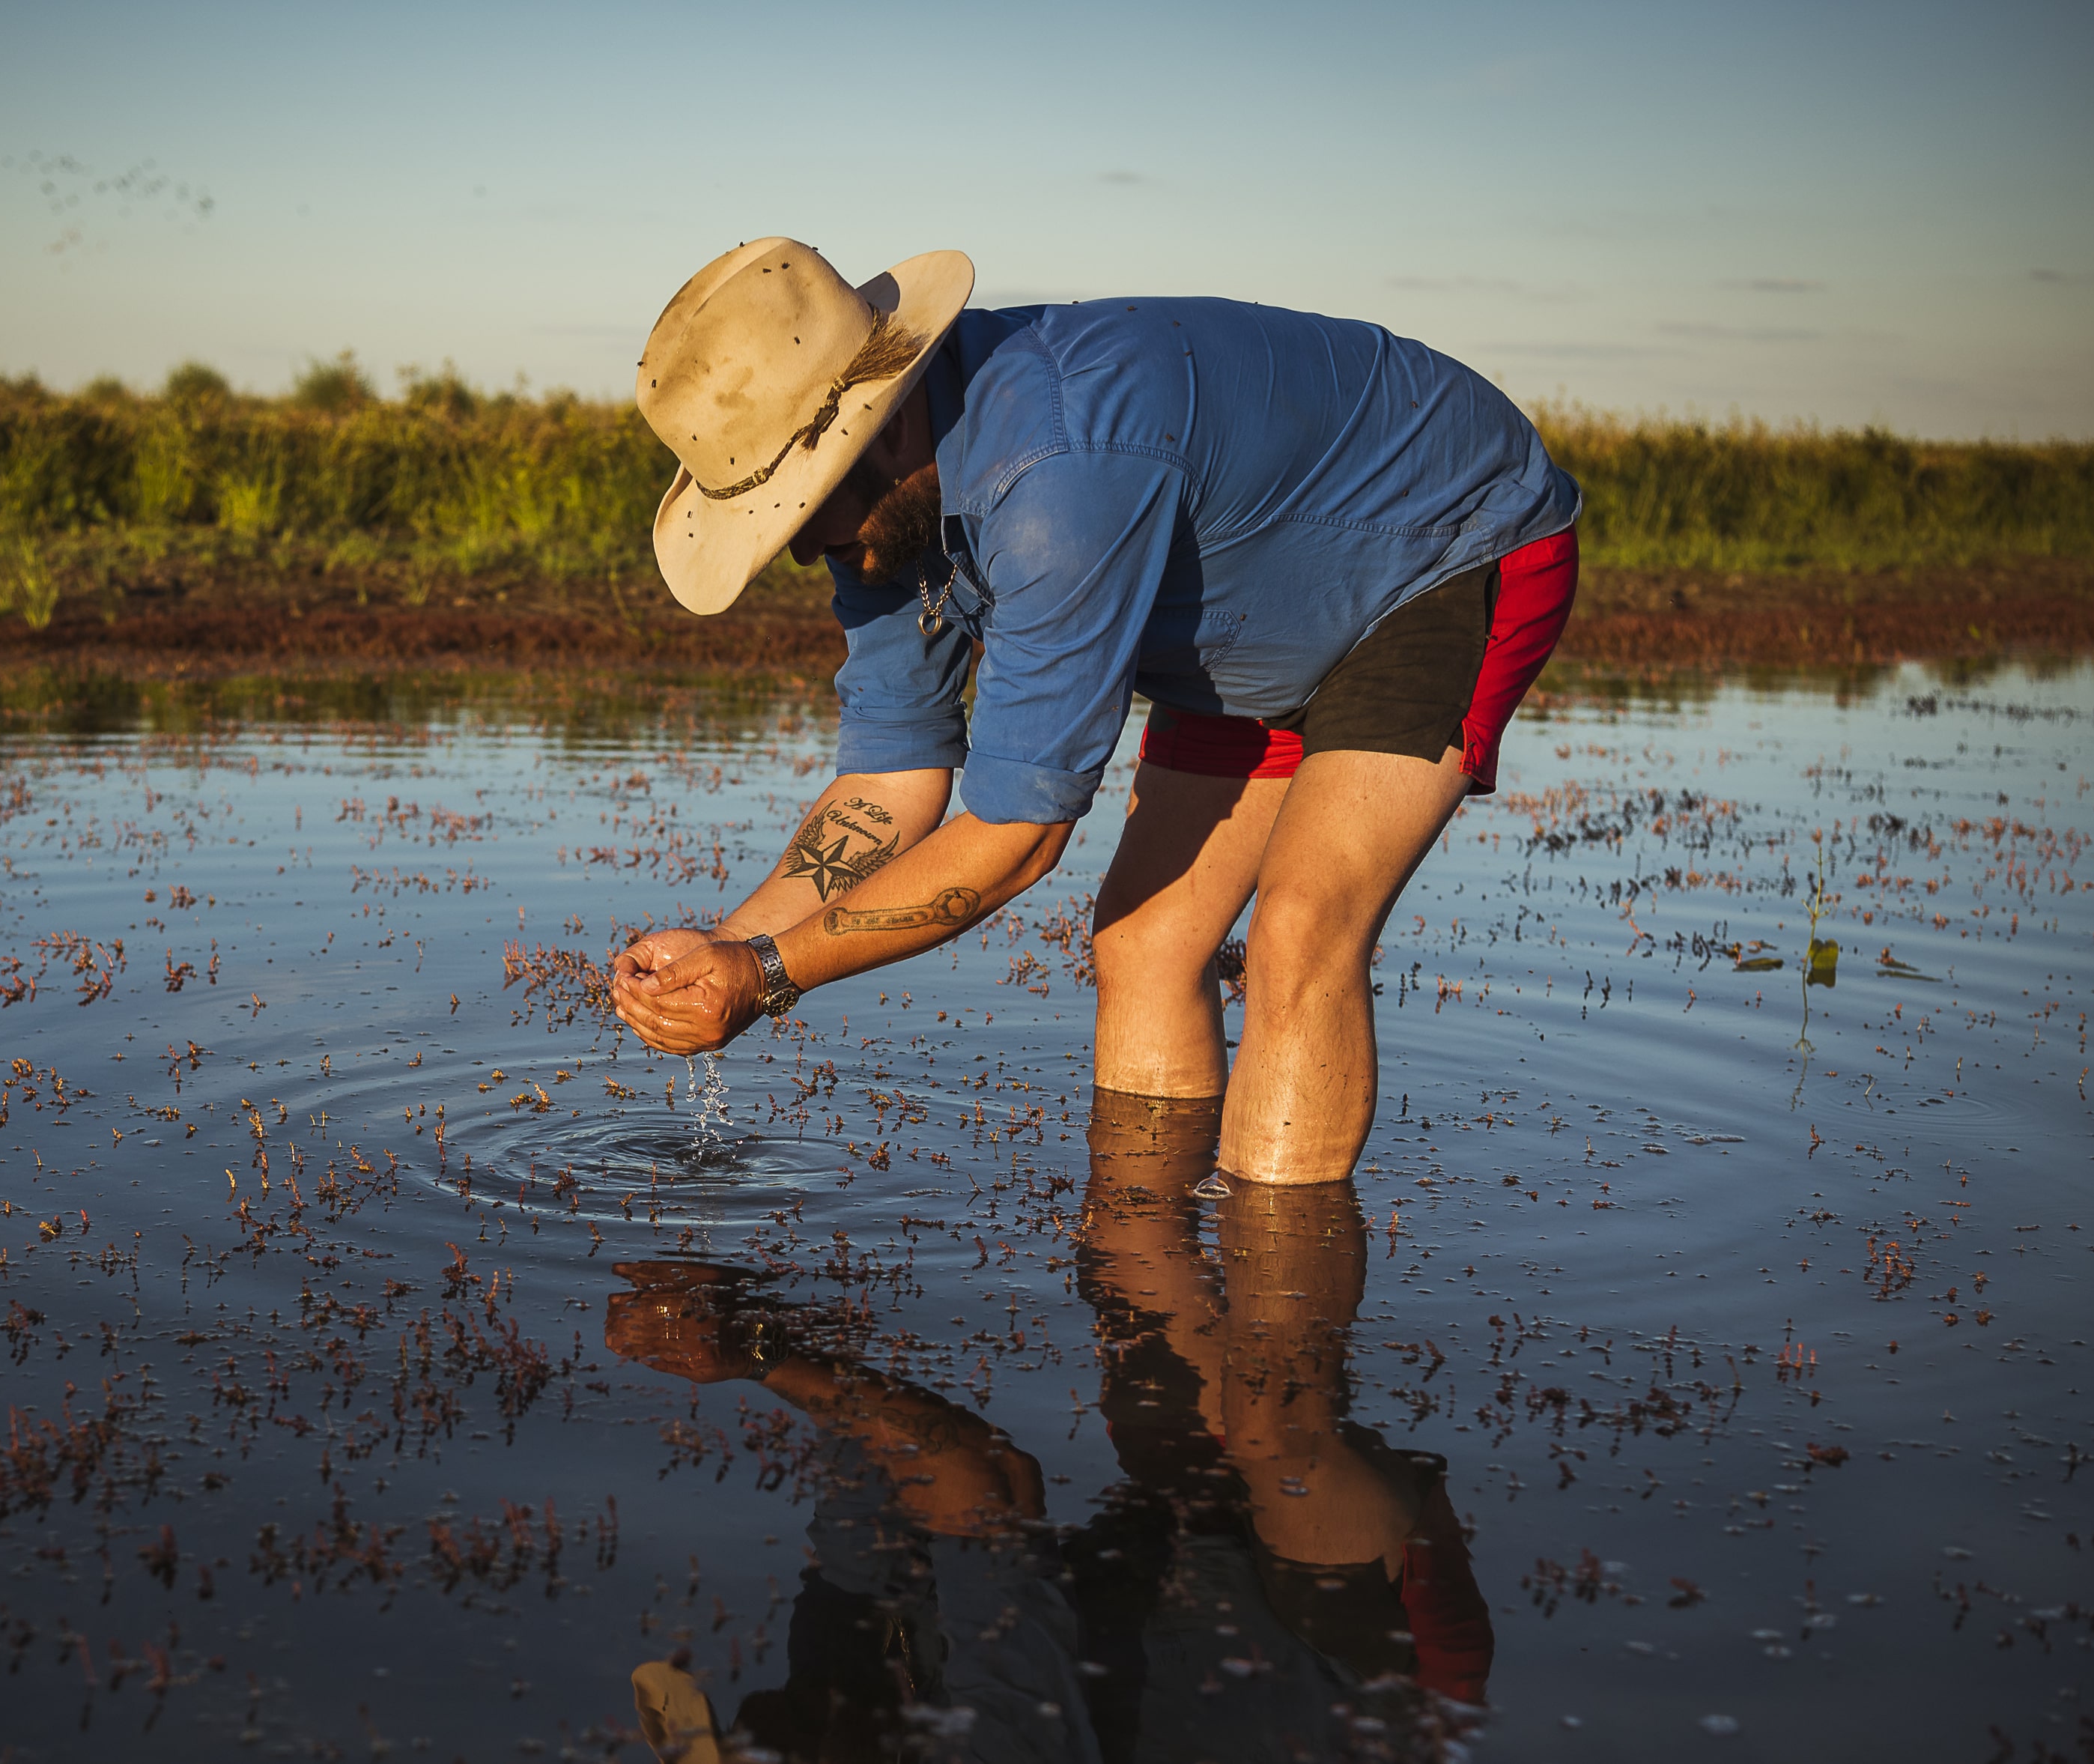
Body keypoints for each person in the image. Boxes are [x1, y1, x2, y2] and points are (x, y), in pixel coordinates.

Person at [610, 240, 1579, 1184]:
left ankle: (1284, 1313)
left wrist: (770, 975)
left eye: (800, 506)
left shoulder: (1057, 473)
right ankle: (1146, 1288)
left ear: (885, 426)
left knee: (1300, 926)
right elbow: (889, 774)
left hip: (1439, 548)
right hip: (1236, 620)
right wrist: (727, 950)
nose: (793, 546)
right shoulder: (884, 518)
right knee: (1143, 939)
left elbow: (1019, 837)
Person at [606, 1091, 1490, 1762]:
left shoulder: (830, 1681)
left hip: (1196, 1577)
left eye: (740, 1725)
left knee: (1129, 1248)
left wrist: (756, 1316)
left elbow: (873, 1455)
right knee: (1267, 1425)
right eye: (756, 1736)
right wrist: (758, 1357)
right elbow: (993, 1484)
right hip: (1362, 1671)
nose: (755, 1709)